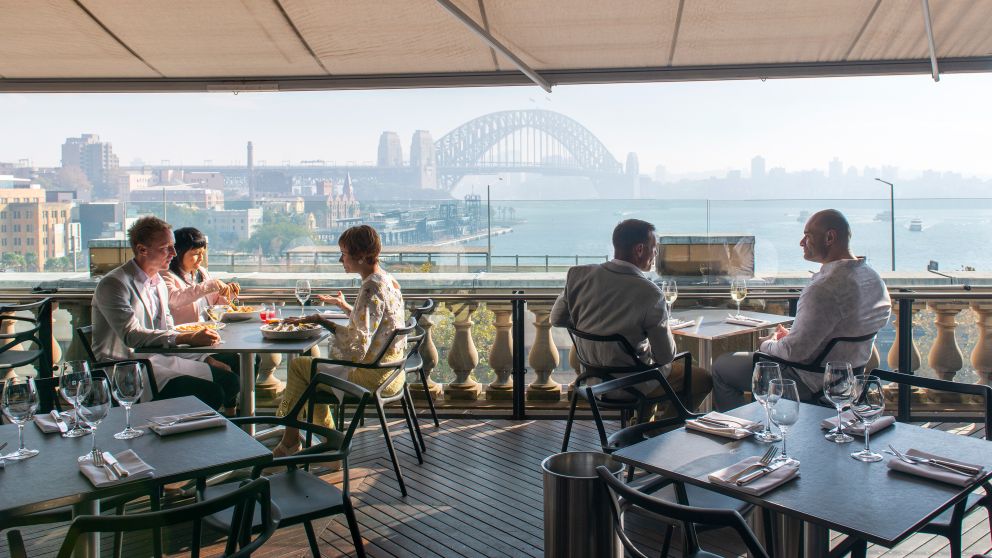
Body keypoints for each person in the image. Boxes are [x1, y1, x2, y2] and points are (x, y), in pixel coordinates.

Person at [711, 209, 891, 411]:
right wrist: (792, 336)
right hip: (848, 382)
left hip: (809, 381)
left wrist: (767, 344)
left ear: (830, 237)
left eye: (808, 236)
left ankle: (737, 432)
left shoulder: (824, 288)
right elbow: (842, 333)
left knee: (722, 367)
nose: (801, 242)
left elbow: (793, 352)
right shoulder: (874, 280)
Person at [550, 218, 712, 414]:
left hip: (590, 380)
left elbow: (557, 319)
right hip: (630, 385)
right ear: (640, 250)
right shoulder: (650, 293)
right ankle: (661, 435)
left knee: (663, 367)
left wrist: (594, 325)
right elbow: (665, 356)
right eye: (654, 249)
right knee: (701, 378)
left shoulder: (578, 275)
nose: (655, 254)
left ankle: (639, 429)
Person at [272, 225, 406, 457]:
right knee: (310, 368)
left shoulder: (370, 288)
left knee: (299, 367)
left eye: (344, 253)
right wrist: (345, 307)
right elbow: (377, 324)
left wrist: (322, 320)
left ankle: (299, 441)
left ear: (361, 256)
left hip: (370, 377)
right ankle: (316, 442)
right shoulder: (388, 280)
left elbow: (357, 345)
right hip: (392, 372)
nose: (340, 259)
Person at [91, 216, 233, 410]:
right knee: (211, 393)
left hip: (161, 360)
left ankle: (210, 434)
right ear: (142, 249)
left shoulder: (158, 282)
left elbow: (168, 329)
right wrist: (189, 337)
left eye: (173, 246)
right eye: (166, 248)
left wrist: (204, 358)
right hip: (129, 369)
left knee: (229, 381)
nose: (174, 253)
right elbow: (132, 336)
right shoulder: (114, 284)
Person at [161, 227, 242, 415]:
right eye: (195, 254)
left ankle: (233, 411)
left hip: (206, 339)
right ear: (179, 252)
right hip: (185, 345)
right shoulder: (166, 276)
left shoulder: (201, 273)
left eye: (202, 254)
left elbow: (212, 304)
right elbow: (175, 298)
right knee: (229, 376)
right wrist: (209, 286)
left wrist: (226, 294)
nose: (200, 259)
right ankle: (230, 415)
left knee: (245, 361)